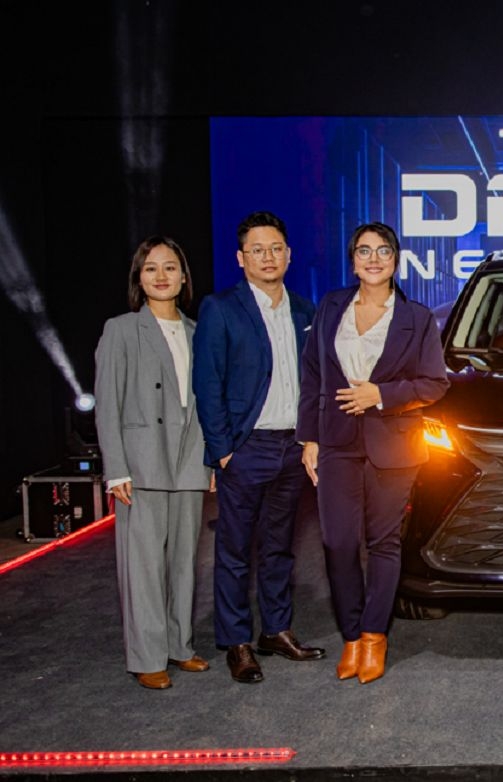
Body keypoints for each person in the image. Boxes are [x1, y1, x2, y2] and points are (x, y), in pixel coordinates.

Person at [298, 222, 449, 684]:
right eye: (364, 251)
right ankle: (350, 635)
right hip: (336, 441)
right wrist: (309, 438)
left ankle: (373, 637)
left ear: (396, 260)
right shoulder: (331, 307)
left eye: (383, 251)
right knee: (338, 542)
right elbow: (312, 375)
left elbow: (434, 384)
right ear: (353, 261)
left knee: (384, 543)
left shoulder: (417, 318)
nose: (374, 259)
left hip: (394, 444)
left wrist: (380, 395)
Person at [193, 211, 324, 683]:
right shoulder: (221, 308)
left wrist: (311, 437)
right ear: (240, 258)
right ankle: (237, 642)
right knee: (234, 550)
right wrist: (223, 450)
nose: (268, 257)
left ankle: (276, 630)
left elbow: (316, 382)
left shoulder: (306, 311)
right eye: (257, 250)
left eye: (275, 249)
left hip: (291, 448)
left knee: (279, 548)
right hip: (245, 448)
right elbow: (207, 383)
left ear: (289, 254)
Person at [94, 236, 212, 689]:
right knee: (142, 566)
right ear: (139, 279)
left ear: (183, 278)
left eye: (170, 267)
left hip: (188, 459)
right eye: (151, 268)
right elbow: (107, 404)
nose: (161, 276)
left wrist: (209, 463)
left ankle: (180, 646)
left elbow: (205, 402)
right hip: (141, 464)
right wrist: (116, 469)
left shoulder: (198, 332)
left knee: (184, 561)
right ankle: (147, 656)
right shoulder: (121, 330)